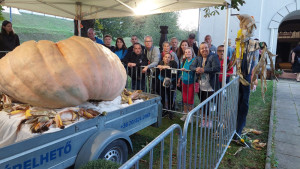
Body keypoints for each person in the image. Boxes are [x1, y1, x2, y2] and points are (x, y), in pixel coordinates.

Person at [190, 42, 220, 127]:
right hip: (200, 86)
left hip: (211, 85)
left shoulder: (213, 56)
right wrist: (197, 68)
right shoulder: (198, 58)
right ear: (200, 50)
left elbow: (216, 67)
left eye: (206, 48)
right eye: (202, 48)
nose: (204, 50)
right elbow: (191, 66)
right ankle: (204, 120)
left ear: (209, 48)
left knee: (214, 103)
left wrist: (204, 70)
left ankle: (213, 121)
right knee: (203, 103)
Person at [179, 47, 196, 121]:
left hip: (191, 83)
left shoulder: (194, 61)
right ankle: (185, 114)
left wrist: (186, 71)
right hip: (184, 82)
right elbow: (181, 71)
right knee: (185, 99)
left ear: (192, 53)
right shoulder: (184, 61)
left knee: (190, 100)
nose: (187, 53)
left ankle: (190, 116)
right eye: (186, 52)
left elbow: (194, 71)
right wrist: (179, 79)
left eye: (189, 52)